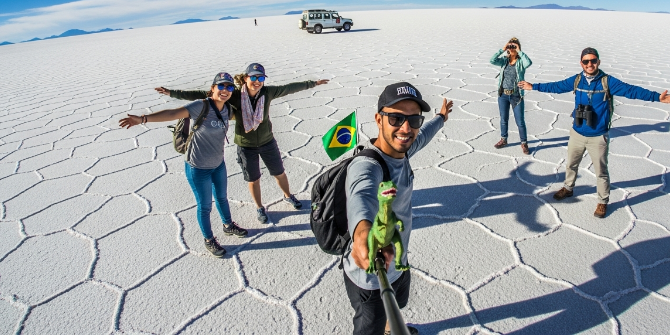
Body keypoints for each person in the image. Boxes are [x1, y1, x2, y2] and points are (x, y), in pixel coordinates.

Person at [518, 48, 670, 218]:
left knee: (601, 172)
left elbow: (631, 91)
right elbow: (557, 86)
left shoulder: (607, 82)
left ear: (598, 62)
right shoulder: (577, 80)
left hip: (598, 136)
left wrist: (657, 97)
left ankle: (603, 201)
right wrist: (534, 86)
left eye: (593, 60)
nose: (590, 64)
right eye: (586, 61)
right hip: (577, 133)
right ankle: (568, 188)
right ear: (581, 63)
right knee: (571, 164)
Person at [157, 63, 329, 224]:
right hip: (246, 146)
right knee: (253, 179)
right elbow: (202, 94)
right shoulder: (235, 95)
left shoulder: (267, 93)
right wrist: (172, 93)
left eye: (260, 78)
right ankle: (259, 207)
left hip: (267, 142)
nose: (257, 81)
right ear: (246, 78)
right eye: (253, 77)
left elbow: (290, 88)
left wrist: (313, 83)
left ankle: (288, 195)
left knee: (279, 173)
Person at [344, 82, 453, 335]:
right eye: (396, 118)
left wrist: (441, 118)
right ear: (378, 120)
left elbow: (422, 136)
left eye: (414, 120)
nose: (406, 128)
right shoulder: (367, 166)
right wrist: (362, 234)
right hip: (371, 276)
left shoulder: (400, 151)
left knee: (398, 305)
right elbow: (360, 196)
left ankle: (388, 329)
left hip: (399, 263)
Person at [120, 72, 248, 257]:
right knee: (205, 206)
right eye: (221, 86)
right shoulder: (201, 106)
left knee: (222, 198)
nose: (225, 90)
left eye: (229, 87)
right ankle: (209, 240)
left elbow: (246, 113)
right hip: (197, 167)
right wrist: (143, 119)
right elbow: (173, 113)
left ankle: (228, 225)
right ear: (212, 88)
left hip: (218, 164)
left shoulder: (228, 110)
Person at [490, 37, 532, 154]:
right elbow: (492, 60)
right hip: (503, 95)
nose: (511, 48)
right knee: (504, 119)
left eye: (513, 46)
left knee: (520, 121)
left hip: (516, 95)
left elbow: (528, 63)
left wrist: (519, 51)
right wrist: (502, 49)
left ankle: (524, 143)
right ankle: (504, 139)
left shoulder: (521, 62)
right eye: (510, 46)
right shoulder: (504, 60)